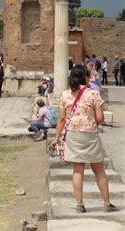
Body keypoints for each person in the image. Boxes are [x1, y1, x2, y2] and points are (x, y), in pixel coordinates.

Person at [51, 66, 116, 213]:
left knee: (78, 170)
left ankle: (80, 204)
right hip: (90, 134)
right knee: (99, 170)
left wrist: (57, 138)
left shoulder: (65, 95)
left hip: (73, 134)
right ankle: (106, 203)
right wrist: (91, 123)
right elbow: (100, 118)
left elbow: (61, 119)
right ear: (86, 78)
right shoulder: (93, 94)